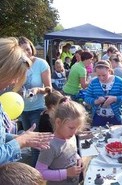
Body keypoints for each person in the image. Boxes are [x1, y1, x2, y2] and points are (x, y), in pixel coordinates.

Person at [0, 37, 53, 165]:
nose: (14, 82)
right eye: (14, 76)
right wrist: (21, 141)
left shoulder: (41, 64)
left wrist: (18, 138)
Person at [36, 97, 88, 185]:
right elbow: (40, 172)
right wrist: (66, 173)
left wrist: (78, 158)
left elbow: (71, 151)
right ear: (58, 122)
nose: (74, 132)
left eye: (77, 128)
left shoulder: (71, 137)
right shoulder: (50, 145)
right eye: (71, 128)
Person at [18, 36, 52, 167]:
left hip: (38, 108)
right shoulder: (17, 65)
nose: (26, 53)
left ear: (31, 47)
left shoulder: (41, 63)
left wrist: (38, 90)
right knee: (31, 143)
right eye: (22, 51)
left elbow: (49, 89)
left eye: (27, 49)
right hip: (23, 109)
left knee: (37, 144)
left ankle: (36, 173)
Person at [85, 60, 122, 127]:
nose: (101, 78)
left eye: (104, 75)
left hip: (115, 117)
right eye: (98, 75)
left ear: (109, 71)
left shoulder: (119, 81)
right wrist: (96, 101)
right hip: (98, 117)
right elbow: (87, 97)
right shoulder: (94, 82)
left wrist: (115, 99)